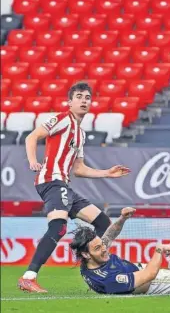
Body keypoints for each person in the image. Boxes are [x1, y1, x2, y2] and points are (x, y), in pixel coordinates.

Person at [18, 82, 131, 293]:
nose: (84, 100)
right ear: (70, 102)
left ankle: (94, 268)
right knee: (58, 226)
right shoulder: (62, 119)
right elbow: (32, 136)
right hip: (51, 180)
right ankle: (28, 277)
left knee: (103, 223)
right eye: (79, 97)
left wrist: (106, 173)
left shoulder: (80, 133)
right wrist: (33, 161)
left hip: (64, 185)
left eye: (87, 97)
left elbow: (78, 169)